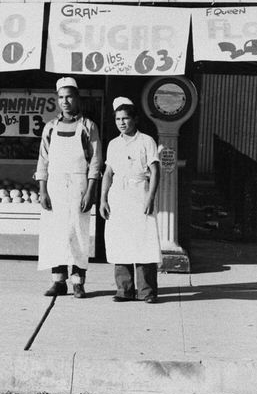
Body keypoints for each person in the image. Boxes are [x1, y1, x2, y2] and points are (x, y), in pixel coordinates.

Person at [35, 76, 103, 298]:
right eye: (61, 97)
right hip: (54, 185)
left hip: (78, 185)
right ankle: (58, 281)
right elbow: (43, 160)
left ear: (77, 98)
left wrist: (91, 191)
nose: (65, 102)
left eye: (69, 97)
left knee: (78, 232)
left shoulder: (88, 127)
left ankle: (78, 282)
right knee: (55, 234)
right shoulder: (50, 128)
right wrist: (43, 189)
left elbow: (95, 162)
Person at [101, 97, 162, 303]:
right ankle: (124, 290)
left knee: (143, 242)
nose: (122, 122)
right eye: (118, 119)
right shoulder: (113, 144)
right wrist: (103, 199)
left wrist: (150, 197)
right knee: (121, 241)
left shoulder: (146, 141)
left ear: (135, 119)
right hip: (118, 196)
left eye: (126, 118)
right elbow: (108, 173)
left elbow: (155, 171)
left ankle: (147, 292)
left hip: (139, 193)